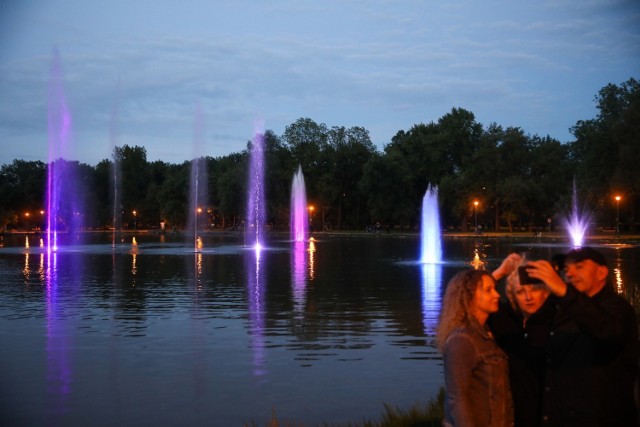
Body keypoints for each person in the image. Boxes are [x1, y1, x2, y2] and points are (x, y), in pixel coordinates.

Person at [525, 247, 639, 426]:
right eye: (566, 269)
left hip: (601, 418)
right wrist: (554, 295)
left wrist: (564, 292)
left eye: (579, 267)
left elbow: (604, 330)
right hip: (560, 415)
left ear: (601, 272)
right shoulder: (565, 308)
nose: (569, 274)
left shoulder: (618, 308)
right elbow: (535, 339)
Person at [437, 269, 514, 426]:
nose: (497, 295)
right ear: (469, 297)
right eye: (488, 290)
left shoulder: (487, 334)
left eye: (494, 289)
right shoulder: (462, 339)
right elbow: (457, 397)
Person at [490, 254, 555, 427]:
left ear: (545, 291)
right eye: (520, 292)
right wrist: (499, 273)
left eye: (534, 289)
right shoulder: (505, 319)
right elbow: (466, 305)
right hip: (511, 415)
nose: (528, 297)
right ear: (512, 295)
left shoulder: (558, 321)